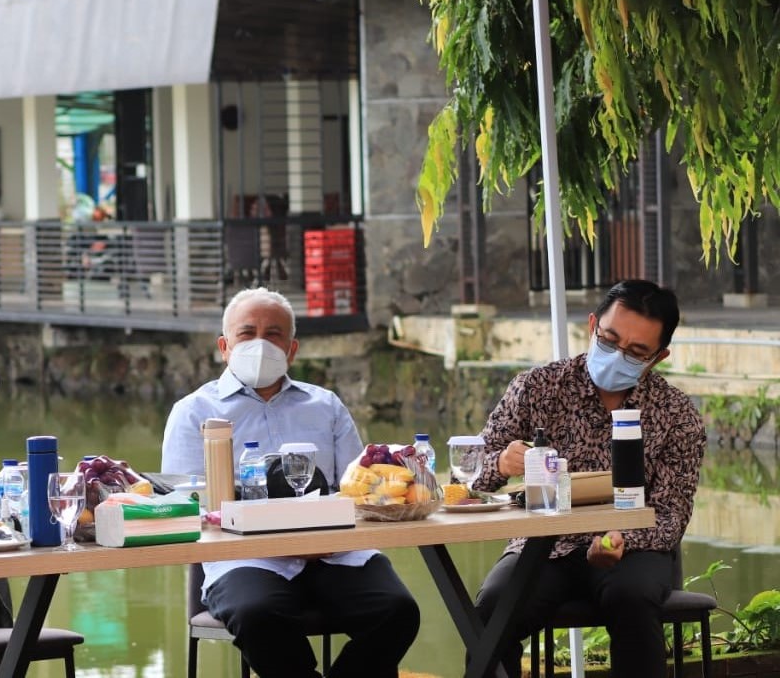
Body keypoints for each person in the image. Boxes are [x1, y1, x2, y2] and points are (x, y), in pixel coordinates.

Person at [161, 287, 420, 678]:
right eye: (247, 334)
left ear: (293, 349)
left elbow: (358, 488)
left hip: (335, 552)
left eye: (274, 334)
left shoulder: (325, 405)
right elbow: (186, 508)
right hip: (246, 558)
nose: (261, 343)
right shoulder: (195, 412)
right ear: (224, 346)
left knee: (398, 611)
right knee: (258, 615)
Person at [471, 279, 707, 678]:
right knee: (494, 609)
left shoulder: (677, 415)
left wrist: (620, 540)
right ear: (592, 324)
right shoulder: (538, 387)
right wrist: (501, 462)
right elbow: (471, 473)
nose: (617, 355)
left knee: (631, 597)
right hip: (544, 546)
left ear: (658, 357)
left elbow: (671, 513)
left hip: (633, 551)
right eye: (610, 339)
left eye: (635, 352)